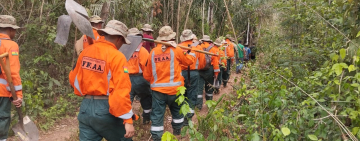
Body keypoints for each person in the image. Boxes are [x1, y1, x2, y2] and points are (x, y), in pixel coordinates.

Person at [69, 20, 137, 141]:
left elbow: (74, 80)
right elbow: (121, 89)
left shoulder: (85, 52)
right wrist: (128, 120)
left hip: (85, 109)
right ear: (119, 39)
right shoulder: (117, 56)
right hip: (106, 109)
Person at [143, 26, 195, 141]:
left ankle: (156, 137)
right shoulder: (176, 50)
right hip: (175, 90)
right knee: (177, 112)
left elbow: (146, 75)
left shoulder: (152, 52)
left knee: (157, 115)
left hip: (158, 92)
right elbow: (188, 62)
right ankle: (177, 132)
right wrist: (192, 54)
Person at [0, 15, 23, 141]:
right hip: (2, 92)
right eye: (14, 29)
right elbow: (12, 73)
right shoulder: (10, 45)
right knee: (2, 118)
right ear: (10, 29)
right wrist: (18, 95)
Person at [126, 28, 152, 124]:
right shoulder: (142, 51)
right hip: (140, 78)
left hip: (127, 78)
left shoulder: (124, 50)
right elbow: (147, 67)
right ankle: (146, 118)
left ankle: (125, 121)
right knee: (146, 98)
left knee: (127, 100)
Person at [178, 29, 200, 125]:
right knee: (191, 95)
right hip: (193, 73)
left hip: (180, 74)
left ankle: (181, 116)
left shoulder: (177, 47)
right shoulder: (196, 47)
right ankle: (188, 118)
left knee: (182, 95)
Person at [196, 35, 220, 110]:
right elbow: (216, 63)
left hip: (200, 70)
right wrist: (216, 74)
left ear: (202, 41)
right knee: (209, 87)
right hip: (210, 69)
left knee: (199, 88)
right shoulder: (213, 49)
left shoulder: (198, 47)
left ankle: (199, 106)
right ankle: (209, 104)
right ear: (209, 41)